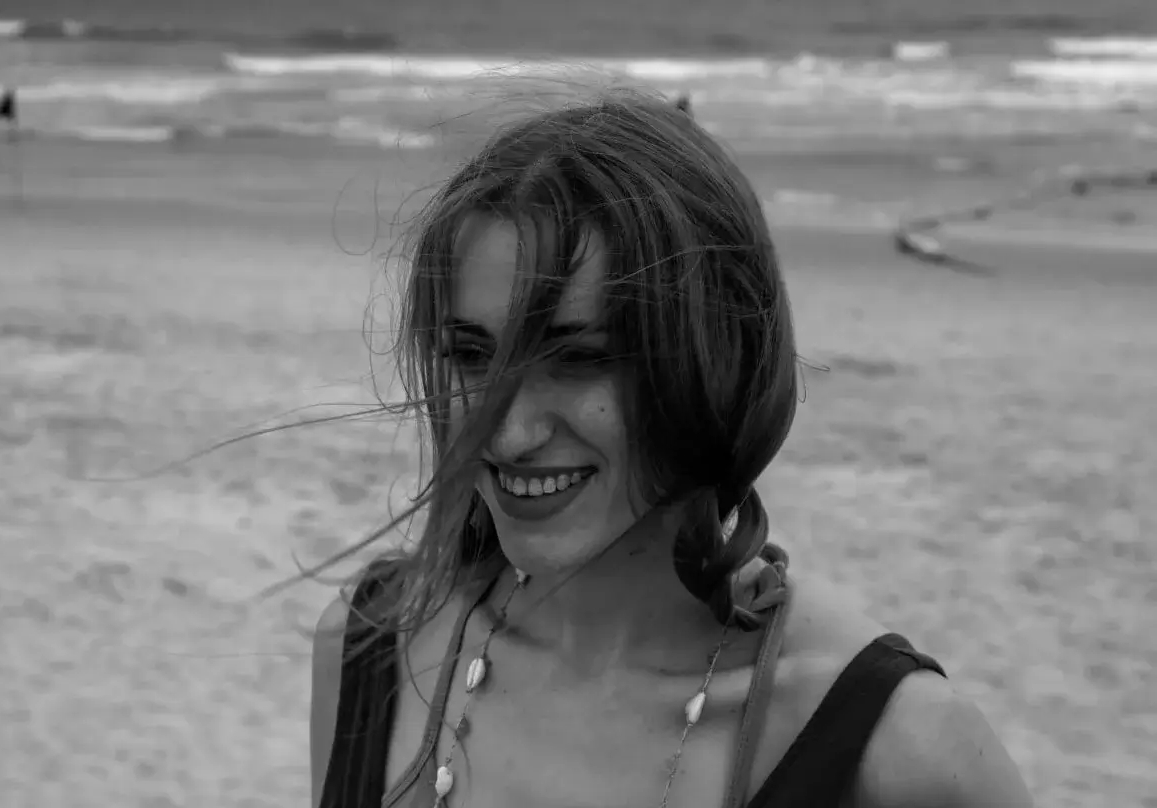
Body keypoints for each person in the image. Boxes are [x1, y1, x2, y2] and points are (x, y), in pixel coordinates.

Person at [309, 87, 1033, 808]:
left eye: (580, 357)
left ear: (719, 358)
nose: (508, 433)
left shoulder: (902, 754)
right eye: (470, 355)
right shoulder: (369, 649)